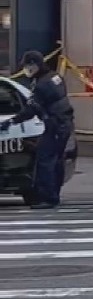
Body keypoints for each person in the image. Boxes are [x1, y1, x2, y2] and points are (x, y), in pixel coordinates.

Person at [0, 51, 75, 209]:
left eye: (28, 66)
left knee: (45, 161)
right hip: (63, 123)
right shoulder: (55, 78)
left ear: (36, 65)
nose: (26, 69)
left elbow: (31, 110)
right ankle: (53, 195)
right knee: (56, 161)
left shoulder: (42, 85)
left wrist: (13, 121)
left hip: (54, 125)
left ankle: (47, 198)